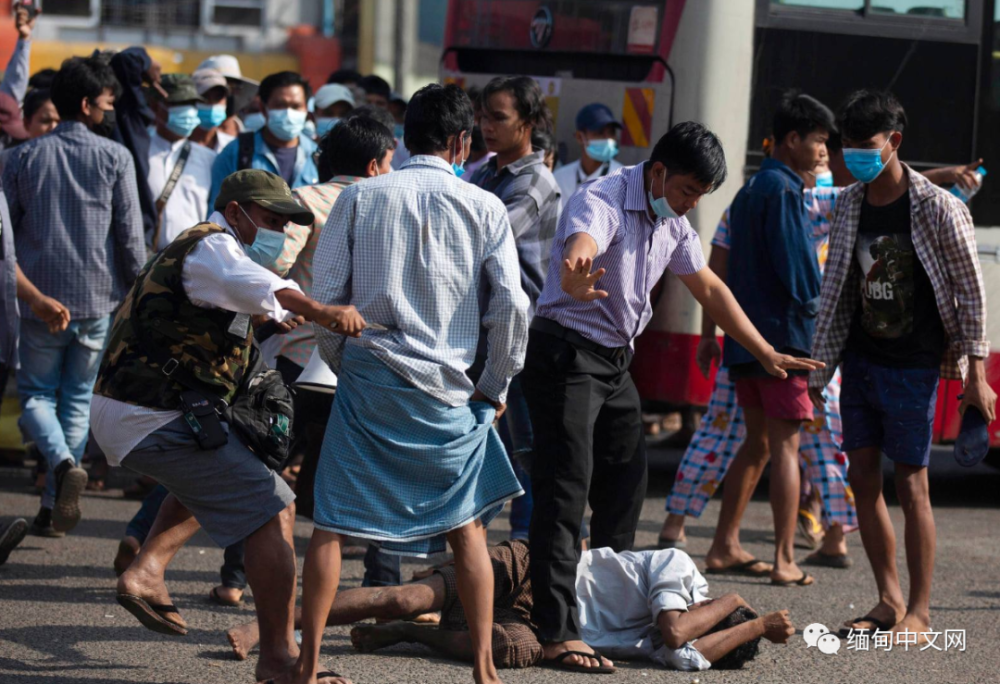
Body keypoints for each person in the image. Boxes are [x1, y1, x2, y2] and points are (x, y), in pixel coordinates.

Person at [522, 120, 823, 671]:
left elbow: (709, 287)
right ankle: (558, 630)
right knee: (565, 490)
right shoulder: (604, 197)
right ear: (658, 173)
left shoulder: (673, 222)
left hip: (614, 363)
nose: (689, 205)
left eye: (700, 197)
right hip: (566, 353)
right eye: (686, 191)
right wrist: (577, 273)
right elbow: (582, 245)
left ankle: (605, 613)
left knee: (626, 482)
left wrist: (764, 352)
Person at [287, 83, 529, 684]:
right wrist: (494, 387)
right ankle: (482, 666)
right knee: (465, 526)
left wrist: (346, 365)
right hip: (449, 388)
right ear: (460, 142)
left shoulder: (361, 197)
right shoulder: (485, 206)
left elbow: (327, 300)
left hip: (369, 374)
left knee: (331, 526)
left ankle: (309, 665)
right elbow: (513, 309)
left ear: (404, 136)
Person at [90, 169, 363, 684]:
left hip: (141, 409)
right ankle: (280, 659)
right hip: (149, 414)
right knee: (275, 505)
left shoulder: (214, 252)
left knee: (241, 459)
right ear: (236, 212)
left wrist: (269, 319)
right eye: (270, 219)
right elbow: (266, 285)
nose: (278, 231)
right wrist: (322, 310)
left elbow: (230, 303)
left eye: (286, 223)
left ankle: (147, 569)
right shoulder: (213, 246)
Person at [811, 90, 994, 641]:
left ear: (894, 143)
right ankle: (888, 599)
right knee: (861, 479)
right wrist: (818, 371)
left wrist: (976, 378)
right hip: (861, 358)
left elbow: (972, 293)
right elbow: (839, 285)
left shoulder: (940, 208)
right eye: (847, 147)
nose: (854, 157)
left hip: (915, 365)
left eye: (865, 147)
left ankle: (921, 610)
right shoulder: (848, 202)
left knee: (911, 483)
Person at [660, 153, 856, 571]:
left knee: (731, 437)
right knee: (813, 441)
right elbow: (804, 281)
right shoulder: (804, 199)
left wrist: (711, 334)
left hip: (742, 340)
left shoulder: (742, 201)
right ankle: (802, 550)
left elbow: (715, 269)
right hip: (793, 344)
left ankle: (681, 526)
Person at [226, 542, 793, 673]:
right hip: (534, 567)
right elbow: (676, 633)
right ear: (713, 604)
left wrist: (757, 629)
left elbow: (687, 655)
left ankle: (408, 634)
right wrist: (746, 604)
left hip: (538, 624)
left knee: (514, 650)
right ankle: (264, 626)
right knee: (406, 592)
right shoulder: (679, 567)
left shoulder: (676, 639)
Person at [5, 54, 145, 538]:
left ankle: (60, 469)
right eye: (106, 103)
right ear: (87, 105)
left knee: (37, 396)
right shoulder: (115, 157)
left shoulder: (19, 157)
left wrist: (30, 294)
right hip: (97, 299)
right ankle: (56, 494)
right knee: (78, 398)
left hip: (36, 301)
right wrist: (136, 292)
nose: (108, 111)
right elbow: (129, 237)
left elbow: (5, 239)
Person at [715, 92, 834, 588]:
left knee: (758, 443)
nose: (825, 152)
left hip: (746, 341)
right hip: (783, 341)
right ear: (792, 140)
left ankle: (724, 544)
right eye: (820, 142)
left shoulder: (750, 189)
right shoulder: (784, 190)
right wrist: (823, 320)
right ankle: (785, 557)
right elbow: (801, 274)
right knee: (787, 448)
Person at [469, 76, 561, 543]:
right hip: (484, 332)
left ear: (527, 123)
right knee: (484, 444)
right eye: (483, 116)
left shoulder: (535, 181)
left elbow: (488, 235)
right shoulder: (485, 174)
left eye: (498, 118)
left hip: (522, 334)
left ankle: (537, 550)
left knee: (530, 451)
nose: (487, 126)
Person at [209, 71, 318, 211]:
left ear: (306, 110)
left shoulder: (318, 156)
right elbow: (216, 212)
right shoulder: (236, 153)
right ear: (263, 108)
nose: (288, 114)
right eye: (280, 105)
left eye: (296, 106)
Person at [147, 74, 217, 251]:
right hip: (147, 262)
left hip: (193, 260)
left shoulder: (208, 159)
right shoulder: (139, 154)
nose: (188, 111)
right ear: (156, 106)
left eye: (192, 104)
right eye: (179, 104)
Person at [552, 103, 623, 210]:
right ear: (580, 137)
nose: (607, 139)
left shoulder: (623, 179)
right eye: (599, 133)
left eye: (611, 133)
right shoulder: (560, 178)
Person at [196, 54, 260, 137]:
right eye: (218, 89)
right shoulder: (186, 135)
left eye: (233, 86)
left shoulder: (252, 135)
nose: (228, 93)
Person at [190, 68, 236, 153]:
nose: (212, 104)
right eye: (204, 97)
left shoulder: (234, 147)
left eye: (218, 97)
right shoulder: (175, 146)